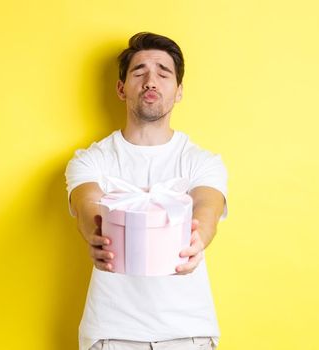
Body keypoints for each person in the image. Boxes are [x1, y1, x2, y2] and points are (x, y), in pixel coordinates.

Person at [65, 32, 229, 350]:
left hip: (188, 333)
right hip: (113, 333)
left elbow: (207, 207)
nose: (151, 81)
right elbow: (87, 205)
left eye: (163, 73)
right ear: (121, 88)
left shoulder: (202, 162)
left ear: (178, 91)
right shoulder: (90, 160)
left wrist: (199, 237)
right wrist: (97, 234)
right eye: (139, 72)